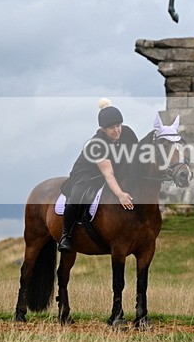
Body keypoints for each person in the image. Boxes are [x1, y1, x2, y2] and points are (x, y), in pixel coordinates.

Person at [58, 99, 139, 253]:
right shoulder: (97, 144)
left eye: (118, 126)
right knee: (78, 194)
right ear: (103, 129)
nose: (117, 130)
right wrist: (120, 194)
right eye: (111, 128)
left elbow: (138, 154)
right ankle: (66, 235)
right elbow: (108, 174)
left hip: (114, 170)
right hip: (86, 174)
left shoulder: (127, 133)